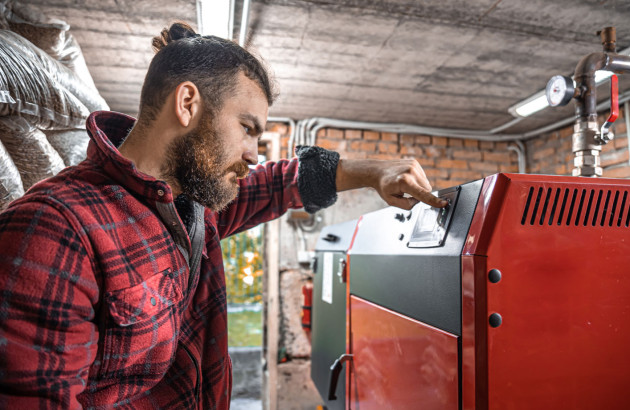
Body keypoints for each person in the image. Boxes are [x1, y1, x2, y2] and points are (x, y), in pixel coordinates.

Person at [0, 21, 445, 409]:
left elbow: (278, 183)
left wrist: (374, 172)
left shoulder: (191, 206)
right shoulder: (55, 229)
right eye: (247, 128)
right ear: (188, 104)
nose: (254, 154)